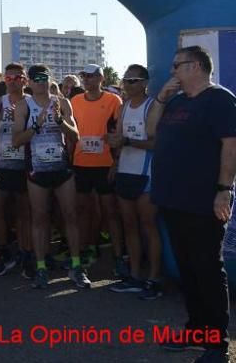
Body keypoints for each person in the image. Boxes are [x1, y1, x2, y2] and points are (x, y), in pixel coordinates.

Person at [150, 46, 236, 362]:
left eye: (178, 65)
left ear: (196, 66)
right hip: (174, 198)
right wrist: (160, 98)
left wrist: (223, 189)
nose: (173, 71)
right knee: (187, 268)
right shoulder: (175, 102)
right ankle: (196, 329)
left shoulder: (220, 100)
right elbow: (150, 131)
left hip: (204, 199)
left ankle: (217, 344)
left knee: (207, 269)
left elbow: (231, 146)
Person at [12, 64, 90, 289]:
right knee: (39, 218)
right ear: (29, 82)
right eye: (36, 79)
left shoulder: (62, 102)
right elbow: (17, 140)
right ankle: (41, 268)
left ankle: (76, 267)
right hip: (37, 170)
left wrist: (58, 121)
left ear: (49, 79)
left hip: (62, 169)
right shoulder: (23, 106)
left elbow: (75, 136)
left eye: (44, 78)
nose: (41, 82)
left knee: (70, 215)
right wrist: (36, 126)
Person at [107, 64, 162, 299]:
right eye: (125, 80)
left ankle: (154, 278)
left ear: (144, 83)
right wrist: (115, 161)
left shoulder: (153, 106)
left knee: (149, 227)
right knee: (129, 226)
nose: (127, 85)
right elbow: (119, 138)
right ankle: (135, 275)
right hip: (126, 172)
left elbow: (156, 143)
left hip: (146, 174)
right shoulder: (125, 105)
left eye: (132, 81)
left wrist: (126, 142)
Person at [71, 64, 125, 275]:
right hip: (81, 163)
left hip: (105, 164)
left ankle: (119, 256)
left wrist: (116, 162)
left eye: (91, 76)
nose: (87, 80)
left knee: (110, 212)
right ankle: (86, 249)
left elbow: (118, 133)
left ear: (101, 78)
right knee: (83, 211)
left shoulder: (113, 100)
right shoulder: (75, 101)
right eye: (84, 76)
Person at [0, 63, 32, 278]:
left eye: (17, 77)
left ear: (25, 80)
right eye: (9, 77)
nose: (13, 81)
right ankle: (4, 250)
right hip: (2, 164)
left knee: (24, 212)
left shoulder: (31, 103)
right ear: (4, 80)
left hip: (25, 164)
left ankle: (25, 252)